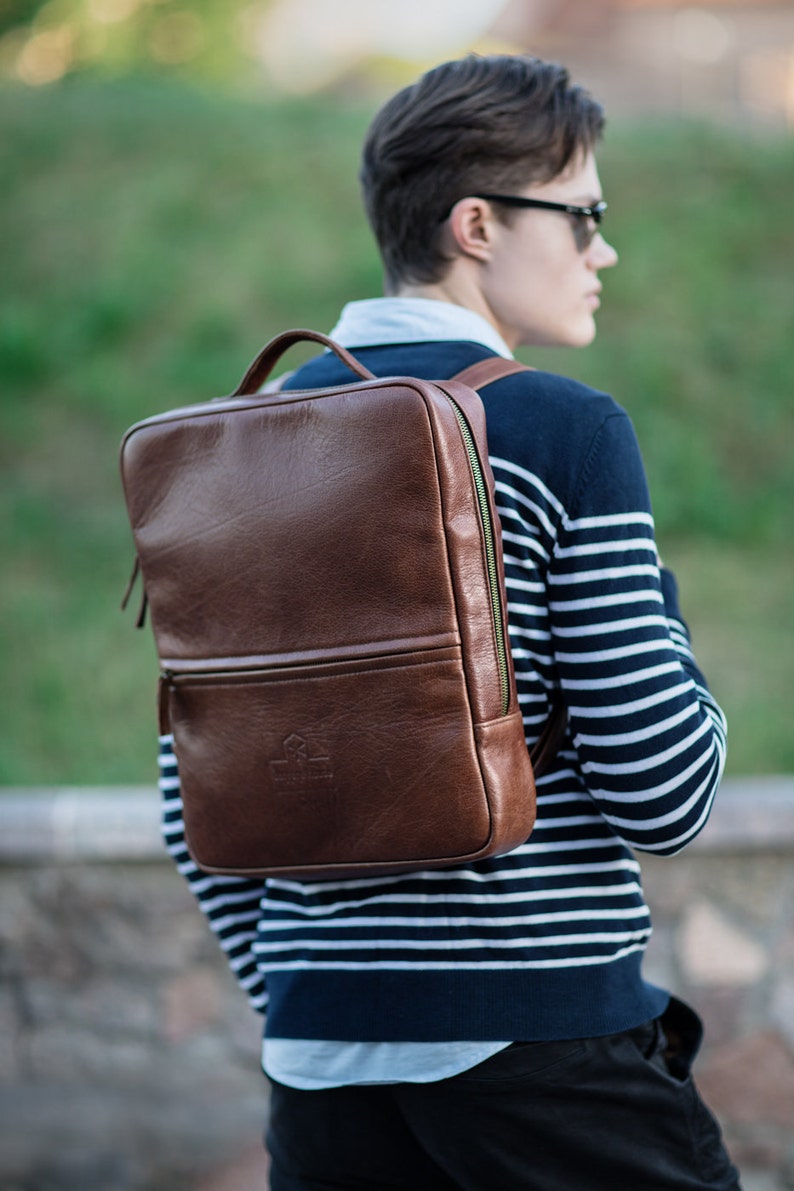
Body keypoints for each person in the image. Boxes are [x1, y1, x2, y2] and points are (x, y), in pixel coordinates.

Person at [159, 53, 741, 1189]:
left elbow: (197, 805)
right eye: (583, 215)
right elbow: (663, 793)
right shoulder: (555, 430)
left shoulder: (229, 449)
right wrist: (657, 608)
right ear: (477, 223)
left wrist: (306, 987)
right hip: (540, 1047)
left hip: (320, 1068)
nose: (602, 250)